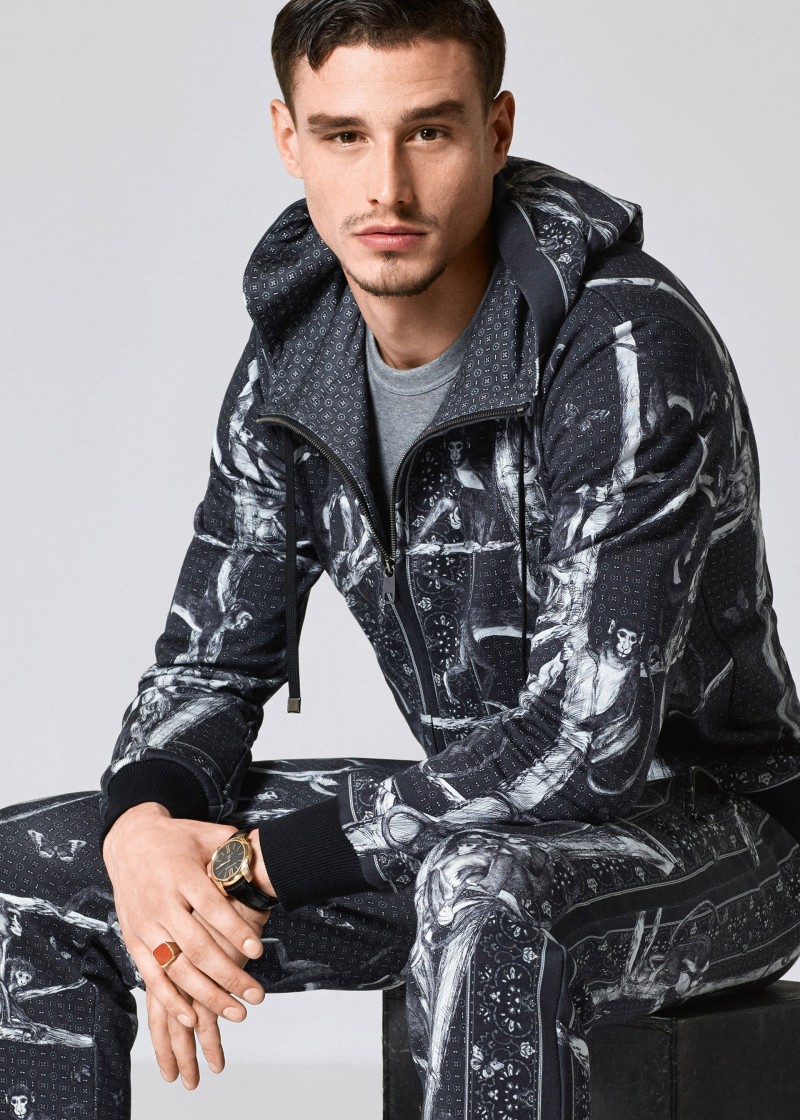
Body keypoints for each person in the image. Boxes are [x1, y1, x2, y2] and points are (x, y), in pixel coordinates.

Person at [3, 1, 800, 1117]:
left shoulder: (618, 344)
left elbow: (587, 741)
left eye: (427, 131)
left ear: (494, 130)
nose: (386, 187)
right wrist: (144, 836)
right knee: (27, 876)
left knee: (484, 890)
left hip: (717, 842)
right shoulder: (298, 358)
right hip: (460, 825)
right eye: (344, 135)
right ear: (289, 138)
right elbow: (210, 665)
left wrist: (243, 867)